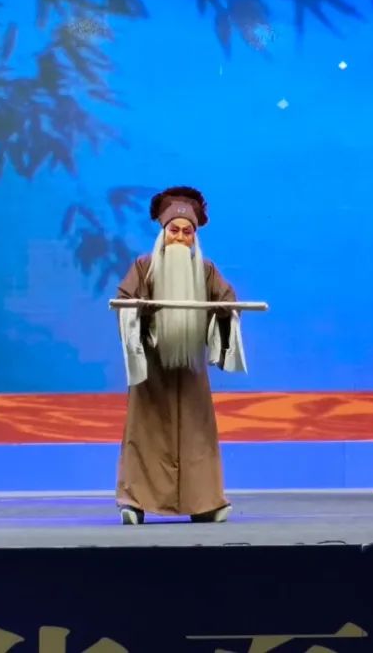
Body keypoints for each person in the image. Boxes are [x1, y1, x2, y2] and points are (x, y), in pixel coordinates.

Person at [114, 186, 246, 525]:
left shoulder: (205, 270)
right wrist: (139, 312)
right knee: (144, 431)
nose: (180, 238)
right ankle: (135, 502)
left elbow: (228, 301)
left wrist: (223, 312)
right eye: (174, 230)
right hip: (153, 370)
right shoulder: (144, 267)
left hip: (190, 369)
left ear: (194, 237)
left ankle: (204, 502)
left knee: (197, 432)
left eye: (187, 233)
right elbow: (123, 303)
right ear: (163, 232)